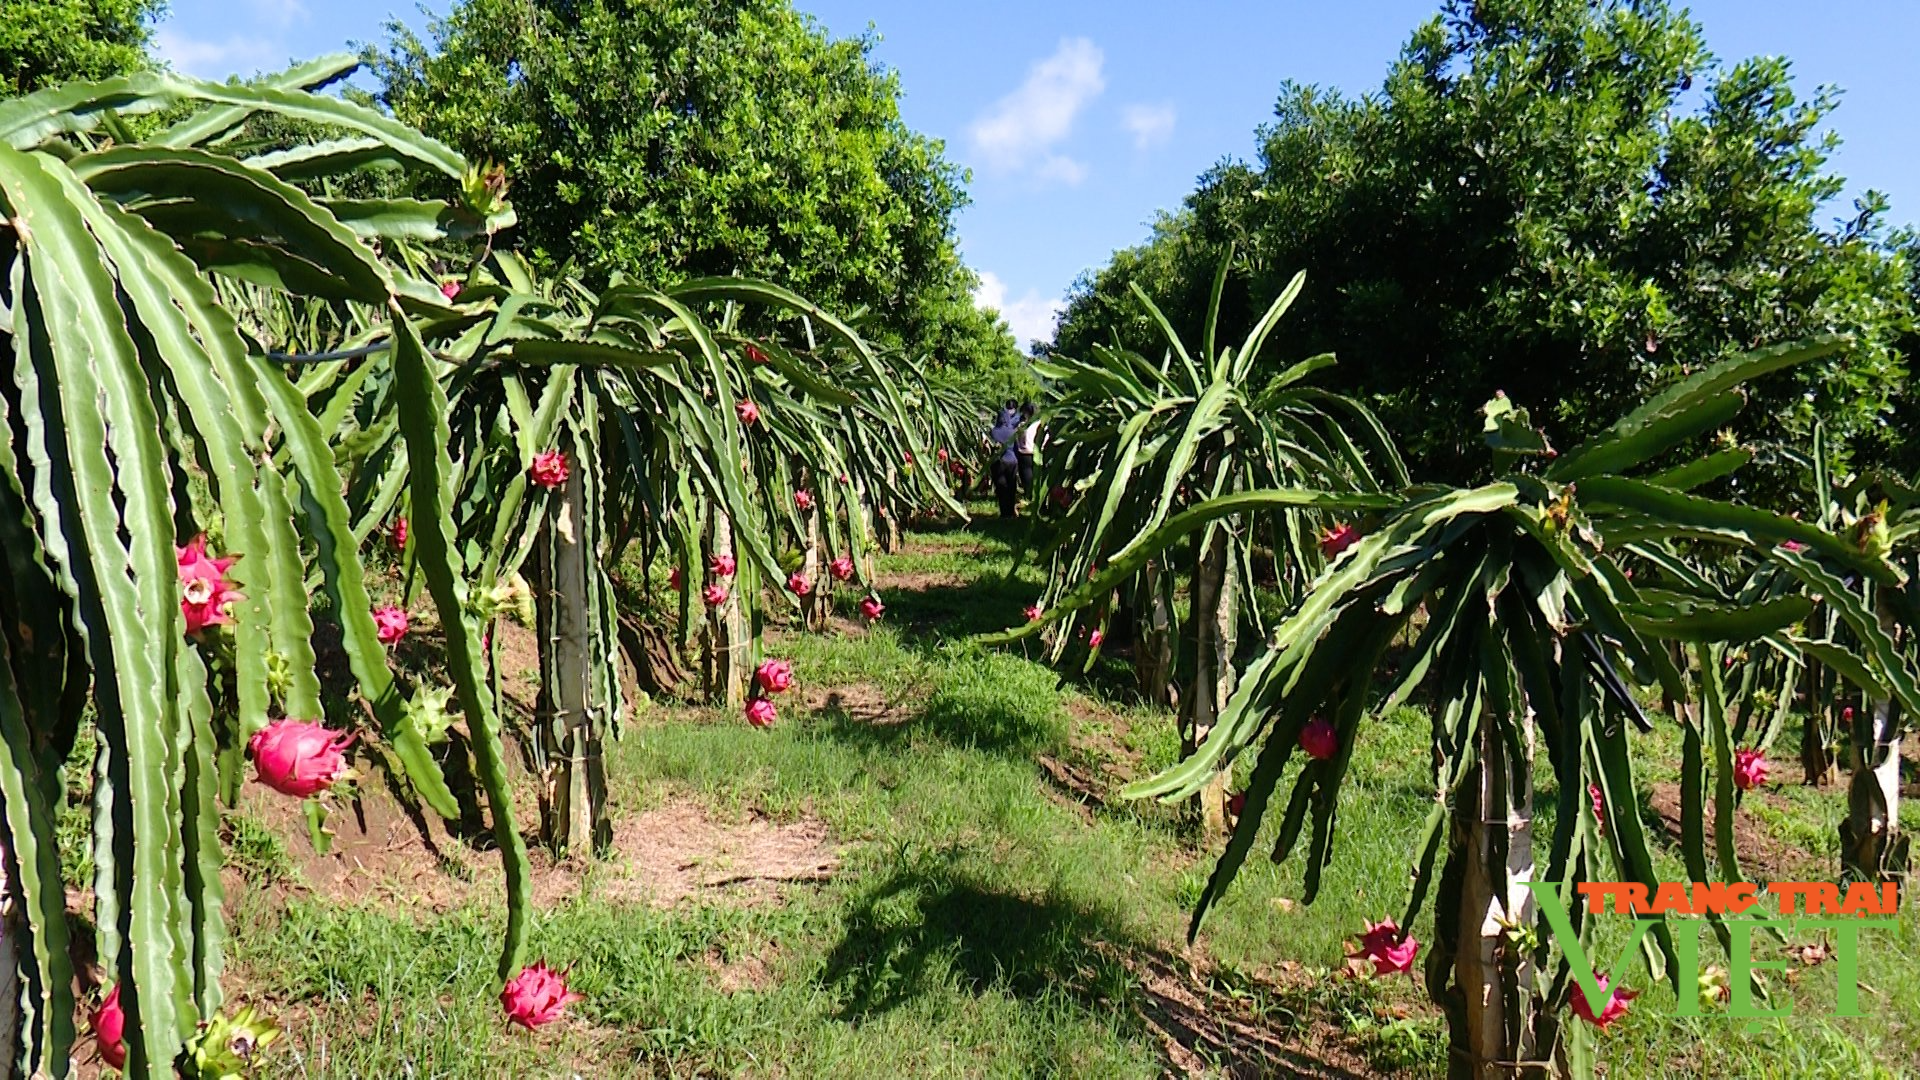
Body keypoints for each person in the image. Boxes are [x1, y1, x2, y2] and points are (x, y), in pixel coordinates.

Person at [987, 404, 1022, 519]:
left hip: (999, 462)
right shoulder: (1013, 432)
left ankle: (1004, 512)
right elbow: (1017, 447)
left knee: (1001, 487)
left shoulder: (993, 432)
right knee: (1011, 487)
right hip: (1012, 462)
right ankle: (1011, 512)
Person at [1015, 401, 1040, 495]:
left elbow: (1018, 439)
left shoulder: (1022, 425)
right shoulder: (1039, 424)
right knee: (1036, 475)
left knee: (1026, 475)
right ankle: (1035, 494)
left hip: (1024, 453)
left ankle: (1028, 494)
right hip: (1036, 452)